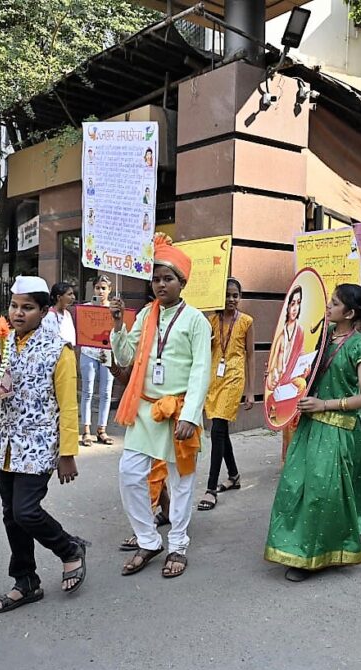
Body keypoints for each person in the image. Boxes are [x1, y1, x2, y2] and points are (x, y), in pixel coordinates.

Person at [110, 234, 212, 579]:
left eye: (168, 278)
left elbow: (201, 371)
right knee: (129, 474)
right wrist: (117, 326)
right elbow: (127, 356)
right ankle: (148, 540)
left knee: (181, 482)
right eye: (155, 279)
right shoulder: (144, 315)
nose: (160, 284)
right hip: (145, 411)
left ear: (182, 282)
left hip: (180, 411)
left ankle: (178, 545)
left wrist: (191, 416)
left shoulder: (196, 320)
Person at [0, 276, 88, 614]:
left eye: (27, 307)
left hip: (39, 443)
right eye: (14, 306)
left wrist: (68, 453)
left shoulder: (59, 350)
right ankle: (26, 580)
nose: (18, 313)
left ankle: (69, 549)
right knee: (11, 515)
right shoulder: (1, 343)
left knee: (26, 511)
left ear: (44, 311)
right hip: (5, 443)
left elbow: (68, 405)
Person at [265, 284, 361, 582]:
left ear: (350, 313)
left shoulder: (360, 346)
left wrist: (324, 404)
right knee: (293, 487)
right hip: (309, 425)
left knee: (321, 493)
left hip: (338, 429)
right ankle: (294, 548)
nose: (328, 306)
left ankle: (313, 557)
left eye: (335, 303)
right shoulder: (320, 337)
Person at [198, 278, 255, 511]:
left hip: (234, 378)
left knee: (218, 429)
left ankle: (210, 489)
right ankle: (234, 476)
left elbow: (251, 355)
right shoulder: (210, 320)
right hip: (214, 379)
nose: (231, 299)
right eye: (227, 295)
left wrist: (250, 391)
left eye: (235, 295)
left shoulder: (247, 322)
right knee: (221, 432)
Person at [79, 275, 115, 446]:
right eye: (98, 288)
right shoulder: (86, 308)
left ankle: (102, 429)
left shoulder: (114, 309)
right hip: (89, 352)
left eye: (104, 288)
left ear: (110, 290)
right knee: (88, 391)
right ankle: (86, 430)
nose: (100, 291)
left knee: (106, 392)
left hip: (107, 354)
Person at [265, 285, 307, 426]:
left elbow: (302, 357)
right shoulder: (281, 334)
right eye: (292, 303)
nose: (295, 308)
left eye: (298, 303)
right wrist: (272, 376)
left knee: (302, 384)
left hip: (292, 379)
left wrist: (305, 368)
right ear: (287, 306)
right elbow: (271, 366)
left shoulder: (300, 331)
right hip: (278, 381)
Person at [43, 281, 77, 346]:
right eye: (69, 294)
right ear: (59, 297)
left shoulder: (67, 313)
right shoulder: (50, 316)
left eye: (73, 294)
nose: (73, 297)